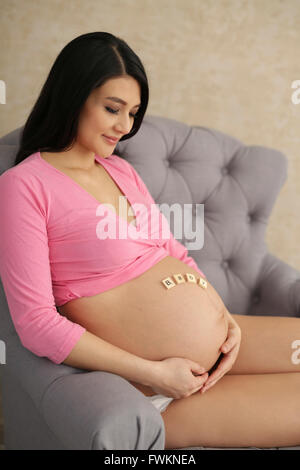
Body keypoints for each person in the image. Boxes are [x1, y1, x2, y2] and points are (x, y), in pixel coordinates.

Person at [0, 32, 299, 450]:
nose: (125, 127)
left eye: (133, 113)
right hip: (160, 389)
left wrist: (223, 319)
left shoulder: (119, 171)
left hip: (223, 346)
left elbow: (172, 253)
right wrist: (152, 373)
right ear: (72, 96)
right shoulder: (25, 186)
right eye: (112, 109)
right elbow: (36, 325)